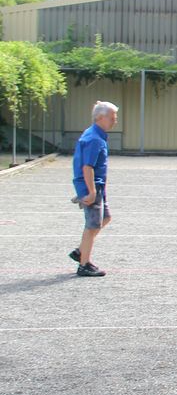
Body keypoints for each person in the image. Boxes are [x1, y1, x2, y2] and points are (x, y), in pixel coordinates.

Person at [68, 101, 118, 277]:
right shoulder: (94, 139)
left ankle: (81, 251)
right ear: (100, 117)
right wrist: (91, 191)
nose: (115, 121)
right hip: (92, 185)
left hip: (96, 184)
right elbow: (87, 167)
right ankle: (84, 264)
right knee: (92, 226)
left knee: (105, 218)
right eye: (112, 117)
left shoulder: (95, 134)